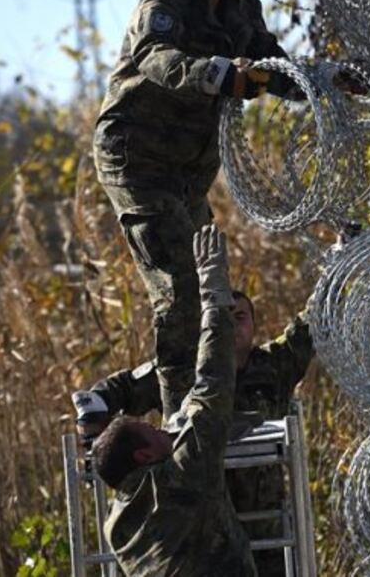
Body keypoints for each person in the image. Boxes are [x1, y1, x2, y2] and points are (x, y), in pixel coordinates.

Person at [94, 0, 365, 419]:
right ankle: (186, 433)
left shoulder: (242, 7)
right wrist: (219, 75)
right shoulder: (164, 4)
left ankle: (207, 409)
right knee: (179, 294)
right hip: (139, 159)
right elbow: (157, 59)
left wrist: (325, 79)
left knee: (211, 288)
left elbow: (270, 68)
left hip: (189, 173)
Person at [73, 293, 314, 571]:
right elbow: (111, 392)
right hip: (201, 530)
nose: (232, 326)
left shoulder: (274, 365)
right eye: (222, 317)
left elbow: (308, 328)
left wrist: (335, 271)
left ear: (254, 325)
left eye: (240, 317)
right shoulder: (181, 373)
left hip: (264, 523)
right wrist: (95, 442)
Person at [91, 225, 256, 576]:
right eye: (153, 430)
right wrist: (214, 294)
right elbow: (214, 378)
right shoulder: (183, 475)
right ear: (145, 456)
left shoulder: (117, 525)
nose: (165, 429)